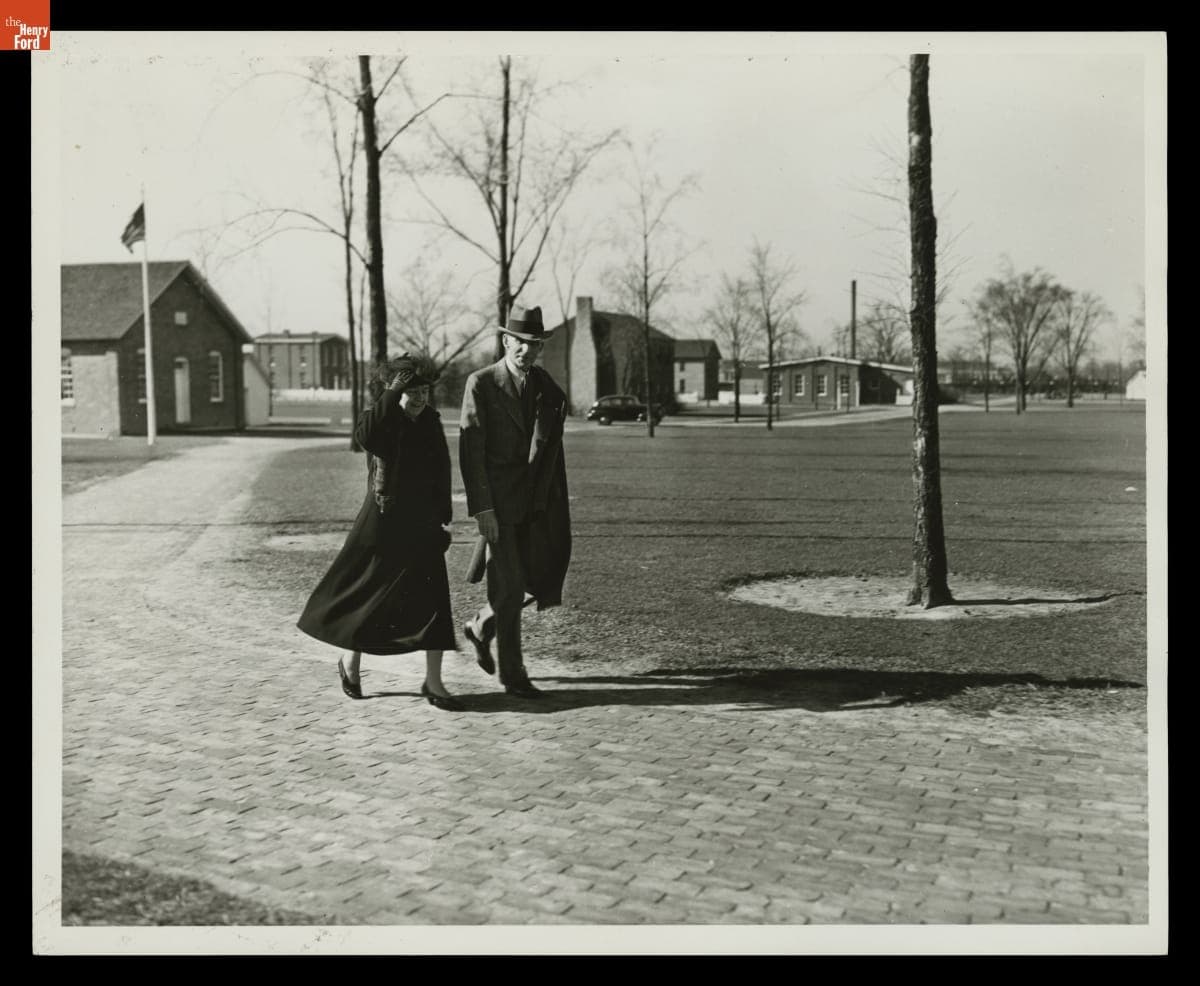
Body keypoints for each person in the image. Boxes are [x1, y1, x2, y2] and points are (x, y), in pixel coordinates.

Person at [297, 354, 464, 711]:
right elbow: (365, 437)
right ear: (394, 390)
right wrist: (392, 394)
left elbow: (441, 471)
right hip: (382, 524)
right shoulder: (382, 420)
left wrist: (443, 519)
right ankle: (351, 663)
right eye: (411, 391)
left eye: (424, 391)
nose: (419, 398)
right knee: (367, 598)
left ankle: (433, 682)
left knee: (435, 603)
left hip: (422, 526)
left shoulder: (431, 422)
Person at [459, 304, 572, 698]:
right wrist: (483, 511)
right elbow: (471, 453)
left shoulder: (542, 386)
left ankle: (481, 627)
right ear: (506, 341)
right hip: (499, 506)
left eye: (535, 344)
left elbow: (554, 422)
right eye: (520, 343)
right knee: (507, 587)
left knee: (535, 578)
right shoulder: (481, 383)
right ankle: (514, 673)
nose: (527, 351)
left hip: (535, 506)